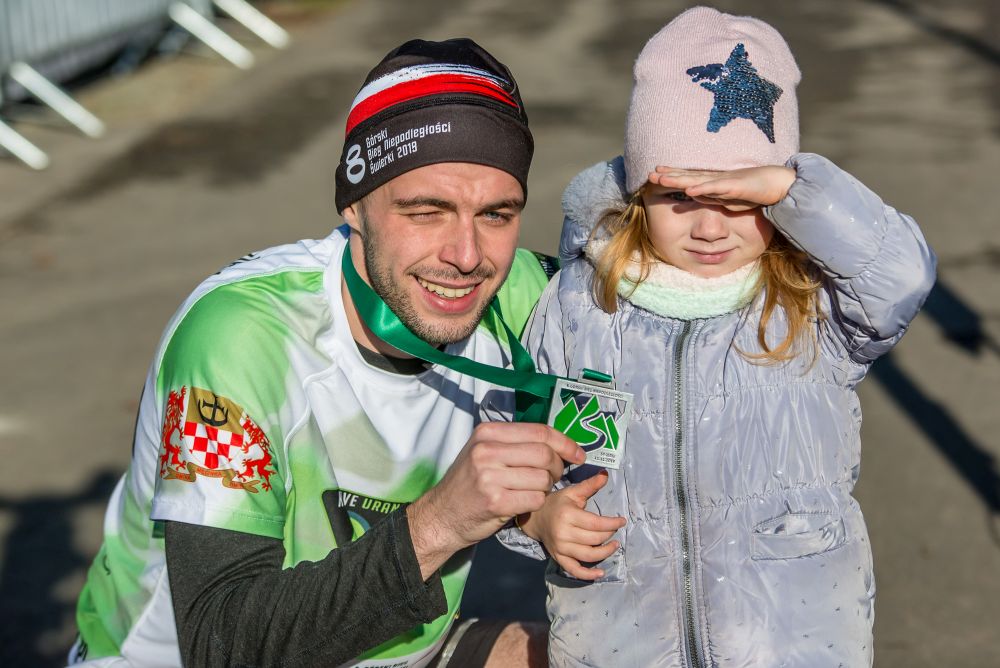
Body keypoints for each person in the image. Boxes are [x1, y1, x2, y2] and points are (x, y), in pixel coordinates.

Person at [70, 38, 584, 668]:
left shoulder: (525, 294)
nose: (467, 256)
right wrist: (441, 523)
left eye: (497, 215)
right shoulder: (241, 337)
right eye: (427, 212)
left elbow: (669, 303)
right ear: (354, 205)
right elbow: (220, 643)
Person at [498, 7, 936, 667]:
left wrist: (791, 186)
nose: (710, 228)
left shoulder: (811, 301)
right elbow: (518, 443)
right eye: (680, 198)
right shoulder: (582, 306)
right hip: (620, 644)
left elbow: (902, 275)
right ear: (640, 195)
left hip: (793, 647)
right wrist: (538, 517)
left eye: (741, 201)